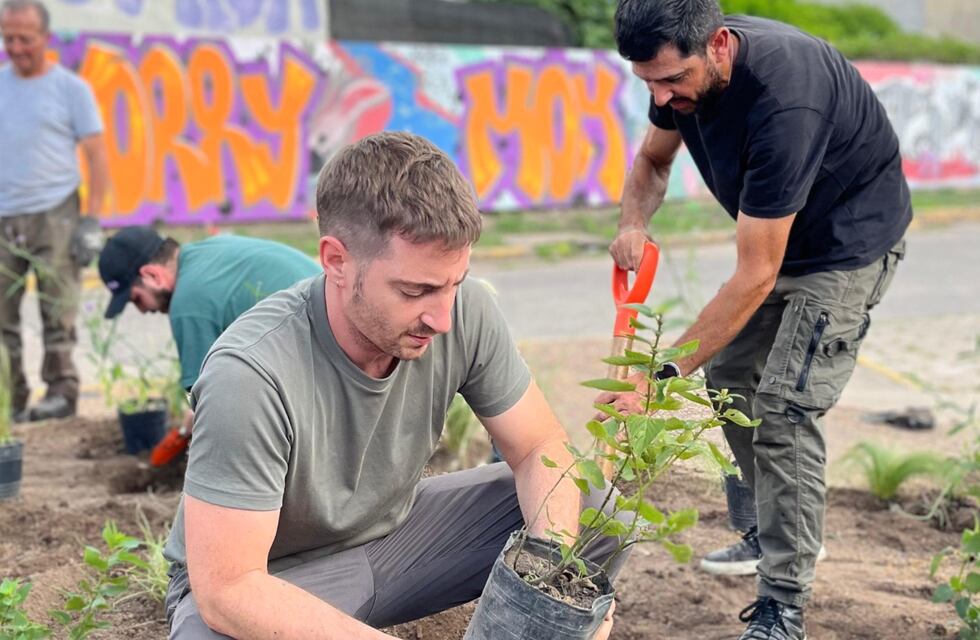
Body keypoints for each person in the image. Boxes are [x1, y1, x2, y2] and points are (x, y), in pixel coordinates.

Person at [162, 131, 623, 639]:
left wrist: (550, 582)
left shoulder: (463, 311)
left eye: (454, 283)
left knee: (587, 507)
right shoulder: (250, 374)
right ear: (336, 261)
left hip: (398, 539)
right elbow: (228, 589)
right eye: (415, 290)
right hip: (277, 577)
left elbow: (539, 447)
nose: (442, 317)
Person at [608, 1, 911, 638]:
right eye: (648, 83)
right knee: (728, 379)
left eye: (673, 80)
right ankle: (767, 527)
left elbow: (754, 276)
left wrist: (658, 378)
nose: (661, 98)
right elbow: (653, 161)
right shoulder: (678, 77)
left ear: (717, 44)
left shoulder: (785, 102)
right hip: (780, 243)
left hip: (846, 247)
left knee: (784, 410)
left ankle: (783, 607)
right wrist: (633, 222)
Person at [97, 227, 321, 461]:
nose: (143, 310)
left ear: (152, 275)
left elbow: (211, 407)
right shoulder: (206, 252)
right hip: (325, 326)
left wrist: (186, 443)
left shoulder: (188, 302)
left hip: (317, 361)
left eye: (136, 299)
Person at [0, 0, 109, 422]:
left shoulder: (70, 89)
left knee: (57, 309)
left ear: (45, 38)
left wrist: (91, 220)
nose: (16, 47)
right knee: (2, 317)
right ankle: (9, 399)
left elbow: (97, 156)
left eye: (24, 39)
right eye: (8, 38)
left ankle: (61, 395)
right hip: (4, 213)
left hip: (56, 212)